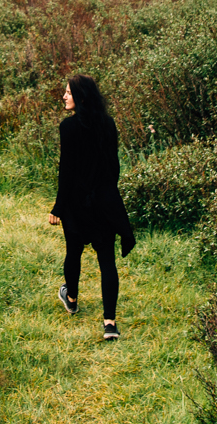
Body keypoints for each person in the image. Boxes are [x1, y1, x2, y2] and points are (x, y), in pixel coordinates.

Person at [47, 74, 134, 341]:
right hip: (104, 201)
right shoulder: (108, 125)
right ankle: (110, 324)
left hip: (76, 202)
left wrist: (58, 207)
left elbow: (67, 171)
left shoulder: (68, 127)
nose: (64, 96)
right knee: (107, 260)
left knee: (73, 251)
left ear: (81, 97)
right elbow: (113, 168)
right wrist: (106, 194)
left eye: (69, 93)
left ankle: (71, 299)